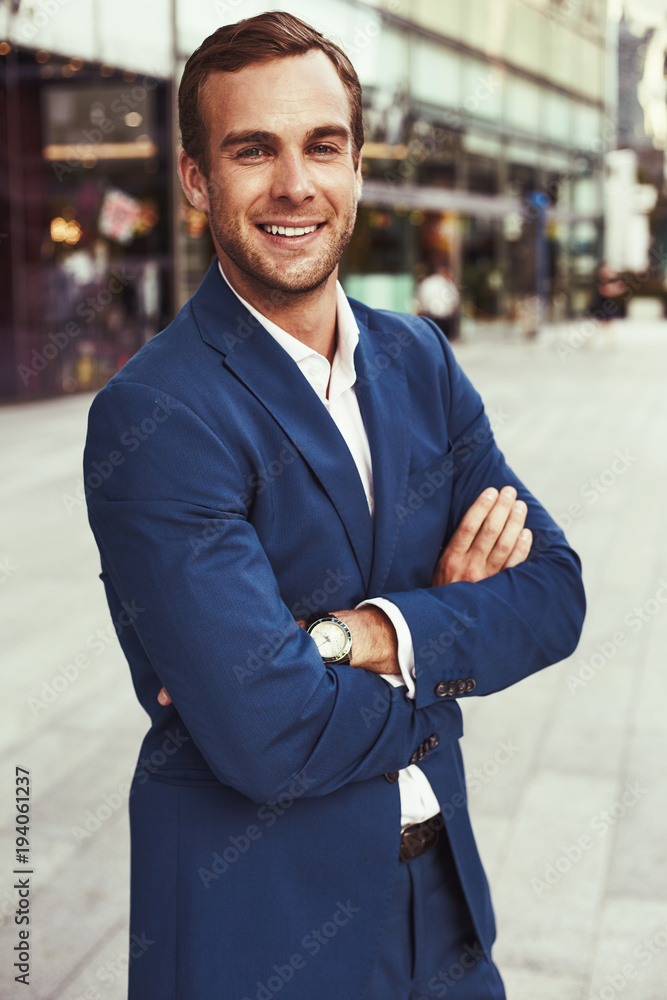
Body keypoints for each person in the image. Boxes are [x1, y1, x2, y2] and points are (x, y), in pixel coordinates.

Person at [83, 12, 585, 999]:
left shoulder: (419, 361)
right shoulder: (156, 413)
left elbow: (554, 594)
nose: (293, 185)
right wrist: (442, 653)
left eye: (322, 145)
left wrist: (348, 635)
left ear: (356, 165)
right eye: (251, 149)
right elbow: (264, 732)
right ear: (195, 180)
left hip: (441, 916)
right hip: (262, 927)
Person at [416, 259, 461, 341]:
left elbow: (421, 300)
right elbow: (455, 301)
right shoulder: (447, 283)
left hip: (431, 316)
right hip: (445, 318)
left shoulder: (426, 283)